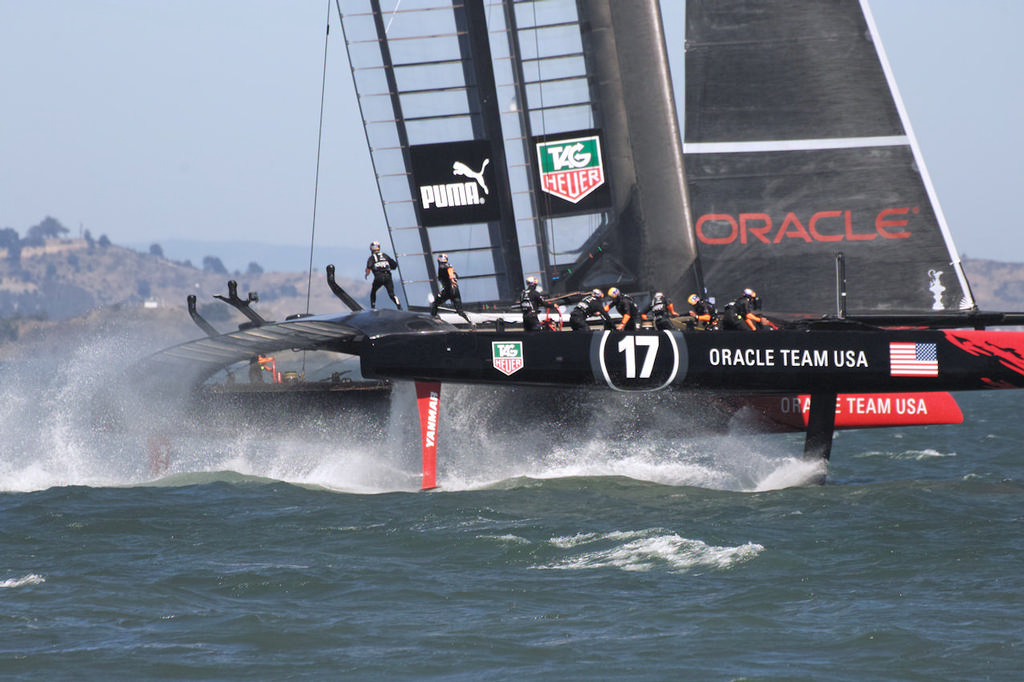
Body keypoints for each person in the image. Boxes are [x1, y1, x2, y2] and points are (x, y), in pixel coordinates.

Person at [430, 253, 472, 324]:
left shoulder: (444, 266)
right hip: (454, 290)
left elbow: (450, 270)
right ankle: (470, 322)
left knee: (435, 304)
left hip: (449, 290)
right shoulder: (444, 268)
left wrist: (451, 278)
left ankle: (432, 319)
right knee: (459, 311)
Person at [364, 241, 402, 310]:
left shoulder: (371, 258)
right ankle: (399, 306)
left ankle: (373, 307)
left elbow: (368, 268)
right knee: (391, 294)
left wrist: (366, 274)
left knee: (373, 292)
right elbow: (394, 265)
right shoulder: (385, 255)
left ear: (371, 249)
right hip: (388, 277)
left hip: (379, 277)